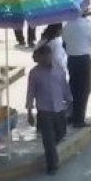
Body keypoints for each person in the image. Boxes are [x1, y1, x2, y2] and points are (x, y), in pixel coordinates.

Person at [25, 44, 70, 174]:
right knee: (48, 138)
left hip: (59, 109)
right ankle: (52, 165)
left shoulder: (59, 70)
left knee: (61, 134)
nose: (47, 59)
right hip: (44, 111)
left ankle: (51, 151)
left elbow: (64, 86)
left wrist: (69, 101)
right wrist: (29, 111)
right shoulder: (35, 73)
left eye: (49, 56)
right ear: (40, 58)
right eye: (44, 57)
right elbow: (30, 93)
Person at [62, 4, 91, 128]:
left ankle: (71, 114)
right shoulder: (86, 24)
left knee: (73, 88)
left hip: (71, 60)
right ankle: (79, 119)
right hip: (84, 60)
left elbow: (64, 44)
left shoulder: (66, 25)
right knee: (84, 90)